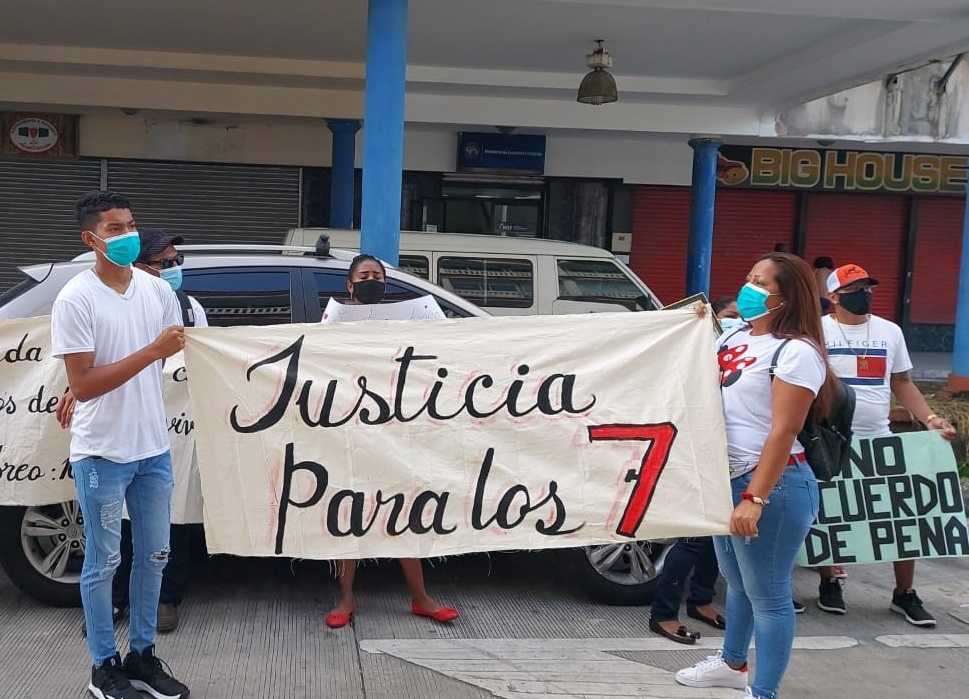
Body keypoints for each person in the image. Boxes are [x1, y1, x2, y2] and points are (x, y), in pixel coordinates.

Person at [676, 252, 837, 699]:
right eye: (748, 278)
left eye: (759, 282)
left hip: (775, 485)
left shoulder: (798, 352)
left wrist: (755, 497)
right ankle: (732, 664)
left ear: (785, 298)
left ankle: (763, 691)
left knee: (768, 594)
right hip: (724, 480)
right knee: (741, 586)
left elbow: (783, 432)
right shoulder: (735, 336)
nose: (747, 288)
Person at [51, 191, 190, 699]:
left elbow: (177, 351)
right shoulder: (77, 298)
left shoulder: (156, 293)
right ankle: (103, 666)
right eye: (114, 228)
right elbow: (86, 382)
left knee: (154, 555)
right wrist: (151, 351)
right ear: (90, 239)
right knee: (104, 562)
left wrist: (155, 351)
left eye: (130, 224)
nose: (127, 235)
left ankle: (143, 655)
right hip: (102, 454)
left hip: (152, 447)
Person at [813, 263, 956, 625]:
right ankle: (829, 581)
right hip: (831, 440)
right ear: (833, 296)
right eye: (855, 288)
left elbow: (902, 382)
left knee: (900, 516)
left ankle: (904, 592)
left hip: (879, 439)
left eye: (868, 287)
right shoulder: (817, 332)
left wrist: (930, 419)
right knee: (831, 513)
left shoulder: (890, 332)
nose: (865, 294)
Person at [324, 254, 459, 629]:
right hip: (348, 430)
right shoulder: (333, 323)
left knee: (404, 512)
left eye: (377, 275)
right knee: (348, 514)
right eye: (364, 275)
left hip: (399, 431)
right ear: (350, 286)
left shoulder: (410, 321)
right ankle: (346, 596)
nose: (371, 279)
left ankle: (421, 597)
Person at [110, 228, 208, 634]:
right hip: (126, 426)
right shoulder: (115, 307)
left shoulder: (189, 308)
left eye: (176, 262)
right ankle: (115, 601)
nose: (173, 270)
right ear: (139, 267)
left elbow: (200, 362)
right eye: (165, 263)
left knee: (174, 515)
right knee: (121, 519)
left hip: (175, 433)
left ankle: (166, 599)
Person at [648, 299, 737, 644]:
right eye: (728, 317)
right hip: (697, 454)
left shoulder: (745, 355)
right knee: (693, 539)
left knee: (718, 538)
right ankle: (664, 613)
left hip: (730, 458)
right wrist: (690, 320)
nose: (734, 325)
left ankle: (701, 600)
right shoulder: (692, 355)